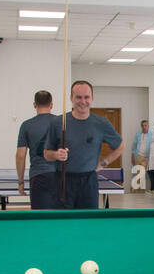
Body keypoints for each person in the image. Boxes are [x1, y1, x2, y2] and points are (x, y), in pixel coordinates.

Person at [42, 80, 124, 210]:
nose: (83, 101)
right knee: (62, 224)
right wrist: (56, 154)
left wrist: (103, 163)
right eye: (78, 97)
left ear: (92, 98)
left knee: (88, 224)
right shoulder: (58, 122)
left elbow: (120, 146)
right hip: (62, 181)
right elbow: (46, 154)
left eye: (86, 97)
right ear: (71, 98)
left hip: (88, 182)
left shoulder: (101, 123)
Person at [16, 91, 58, 209]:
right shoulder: (61, 122)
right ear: (51, 105)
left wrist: (20, 182)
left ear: (34, 105)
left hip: (38, 177)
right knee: (60, 217)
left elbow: (20, 156)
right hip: (59, 177)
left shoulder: (26, 125)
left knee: (40, 217)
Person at [130, 119, 151, 192]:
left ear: (148, 126)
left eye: (145, 125)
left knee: (141, 174)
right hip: (138, 156)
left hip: (146, 157)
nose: (144, 127)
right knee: (138, 173)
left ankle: (136, 189)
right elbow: (134, 145)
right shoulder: (138, 134)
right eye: (142, 126)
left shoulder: (152, 134)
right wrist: (132, 156)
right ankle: (137, 190)